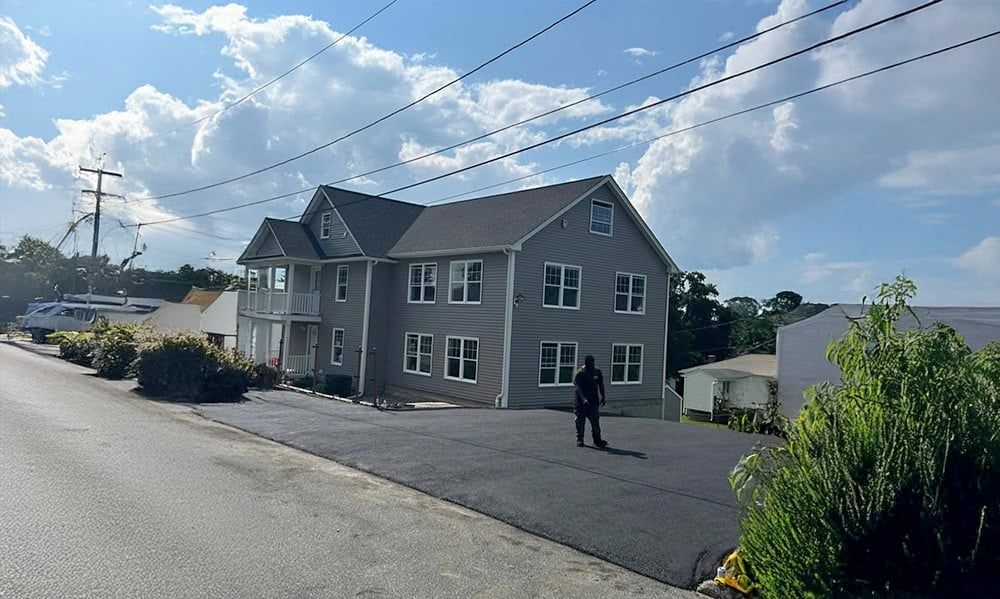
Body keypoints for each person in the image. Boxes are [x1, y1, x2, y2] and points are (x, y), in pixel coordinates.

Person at [573, 354, 607, 448]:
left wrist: (603, 396)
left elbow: (601, 384)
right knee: (580, 421)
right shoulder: (580, 373)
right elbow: (577, 387)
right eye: (589, 363)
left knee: (595, 421)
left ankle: (597, 440)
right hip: (581, 403)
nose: (591, 365)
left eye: (593, 362)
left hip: (593, 402)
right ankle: (580, 439)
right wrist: (583, 399)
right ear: (585, 363)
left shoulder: (597, 371)